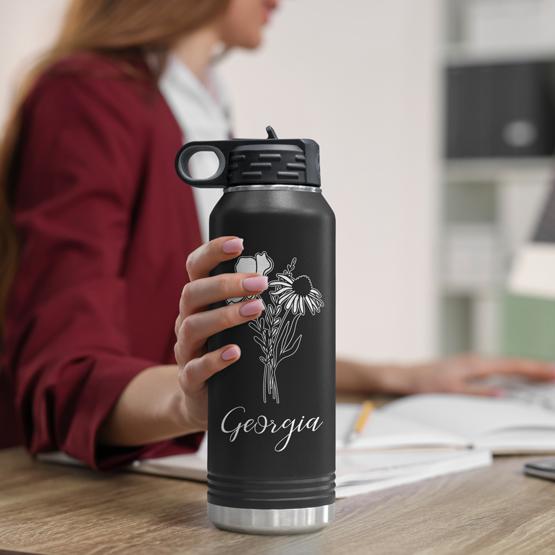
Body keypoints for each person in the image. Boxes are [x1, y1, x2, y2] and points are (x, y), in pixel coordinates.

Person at [1, 0, 554, 467]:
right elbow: (63, 377)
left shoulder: (202, 107)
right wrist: (195, 404)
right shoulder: (87, 96)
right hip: (76, 502)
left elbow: (212, 352)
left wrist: (394, 374)